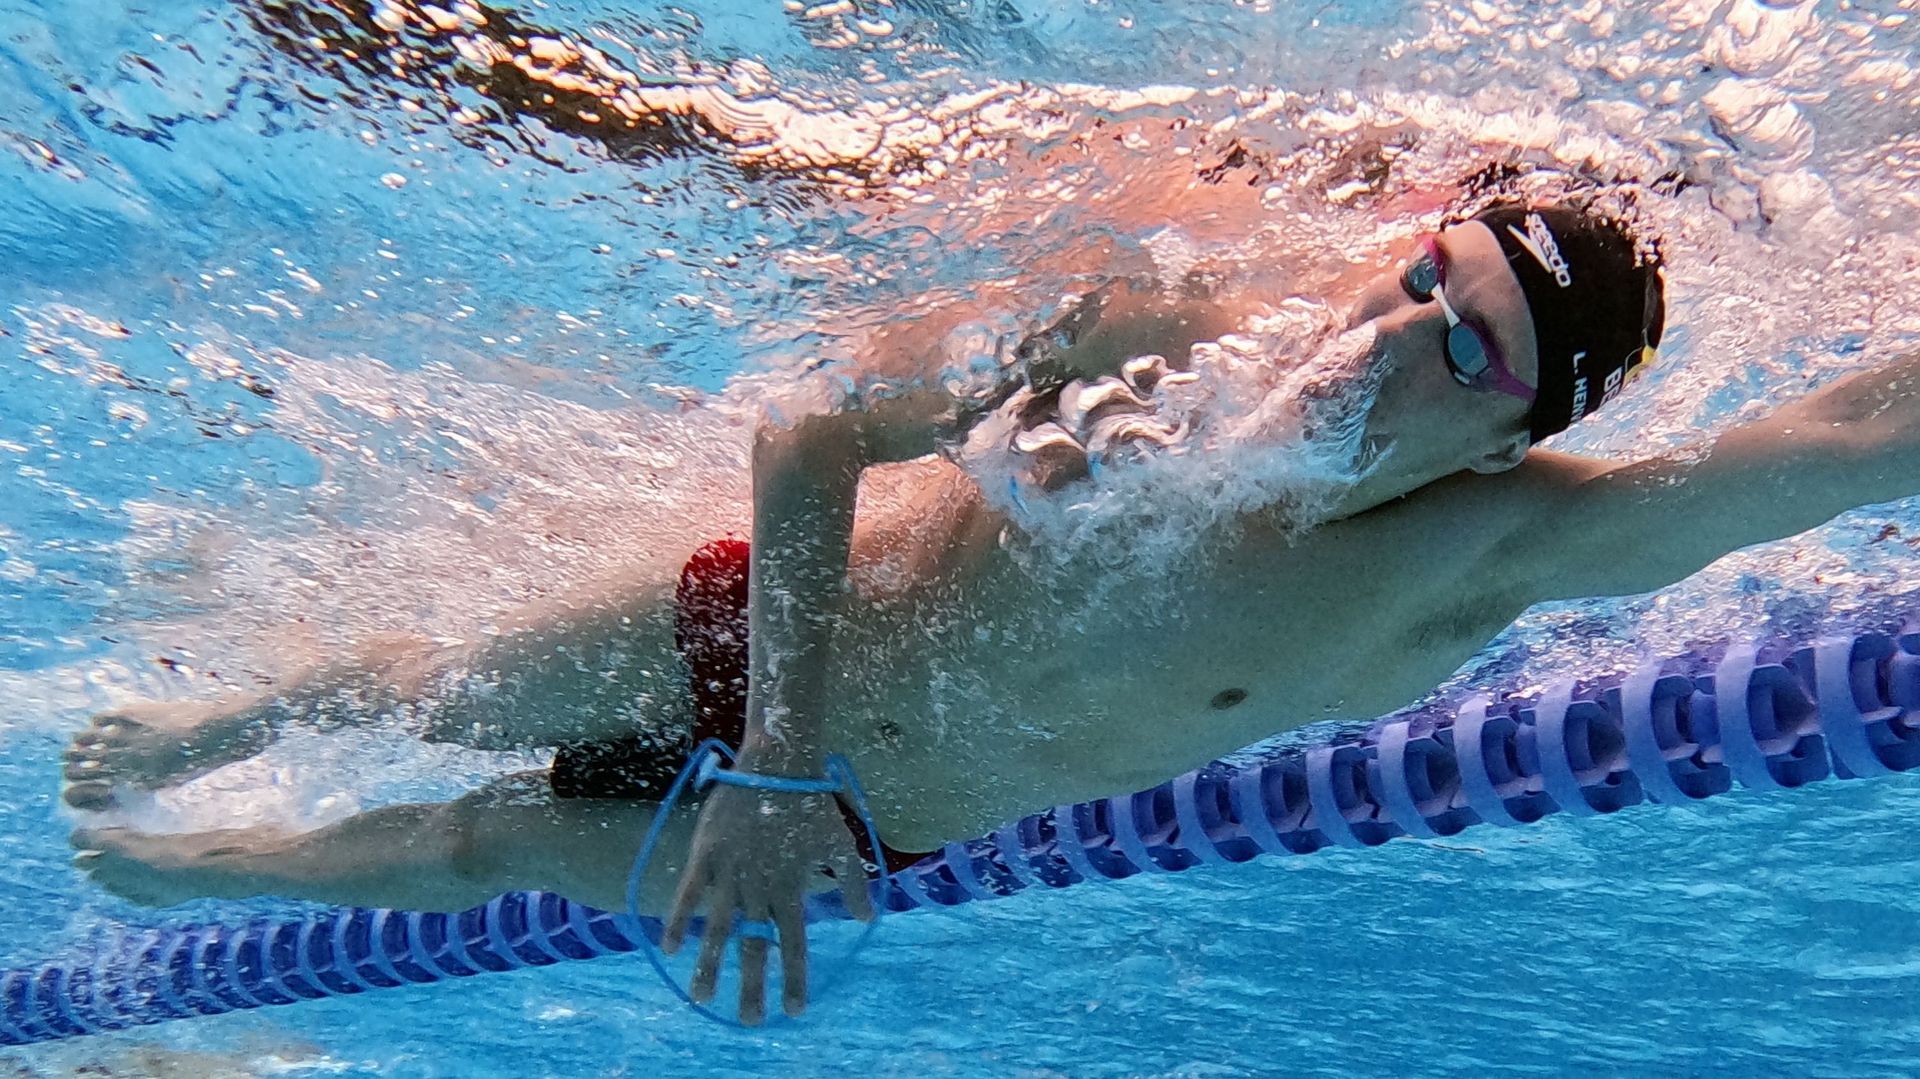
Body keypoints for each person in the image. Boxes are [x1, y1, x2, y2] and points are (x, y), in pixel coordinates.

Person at [64, 195, 1920, 1026]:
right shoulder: (1156, 334)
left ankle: (214, 882)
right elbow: (808, 439)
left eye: (1464, 357)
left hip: (865, 830)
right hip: (750, 657)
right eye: (1418, 276)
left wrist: (801, 811)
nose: (1382, 344)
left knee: (481, 846)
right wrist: (768, 770)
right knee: (431, 685)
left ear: (1516, 433)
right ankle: (216, 732)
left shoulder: (1486, 556)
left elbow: (1841, 432)